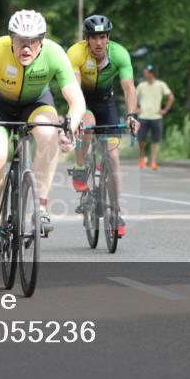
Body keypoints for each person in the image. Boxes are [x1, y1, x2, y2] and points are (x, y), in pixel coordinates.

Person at [0, 10, 85, 258]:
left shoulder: (54, 53)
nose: (27, 47)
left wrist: (70, 129)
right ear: (12, 38)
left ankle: (41, 204)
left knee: (50, 135)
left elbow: (77, 101)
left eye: (33, 41)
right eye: (21, 40)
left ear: (42, 40)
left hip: (36, 103)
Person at [67, 14, 138, 238]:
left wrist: (132, 115)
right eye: (94, 38)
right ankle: (80, 166)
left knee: (114, 158)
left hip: (107, 104)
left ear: (108, 38)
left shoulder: (119, 54)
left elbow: (129, 88)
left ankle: (115, 212)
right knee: (87, 124)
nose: (99, 43)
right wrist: (78, 116)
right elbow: (74, 89)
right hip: (83, 101)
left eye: (103, 37)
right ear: (87, 39)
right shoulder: (76, 53)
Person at [136, 64, 174, 170]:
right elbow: (133, 96)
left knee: (155, 141)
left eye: (146, 73)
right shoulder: (141, 86)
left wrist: (165, 110)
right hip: (143, 116)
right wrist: (136, 108)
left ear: (152, 74)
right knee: (141, 140)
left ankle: (153, 162)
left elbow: (171, 97)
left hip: (156, 117)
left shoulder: (161, 85)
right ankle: (142, 158)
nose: (144, 74)